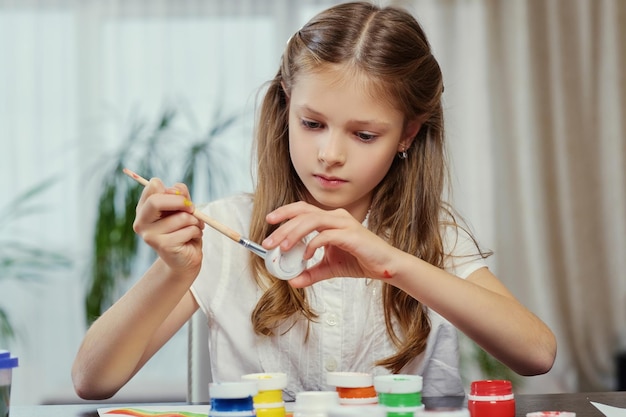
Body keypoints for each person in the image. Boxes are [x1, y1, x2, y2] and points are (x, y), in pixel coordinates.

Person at [72, 1, 556, 401]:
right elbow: (92, 381)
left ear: (408, 133)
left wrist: (392, 263)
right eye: (312, 123)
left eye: (364, 134)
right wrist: (174, 271)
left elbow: (537, 354)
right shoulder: (226, 229)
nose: (330, 154)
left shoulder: (432, 238)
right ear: (286, 104)